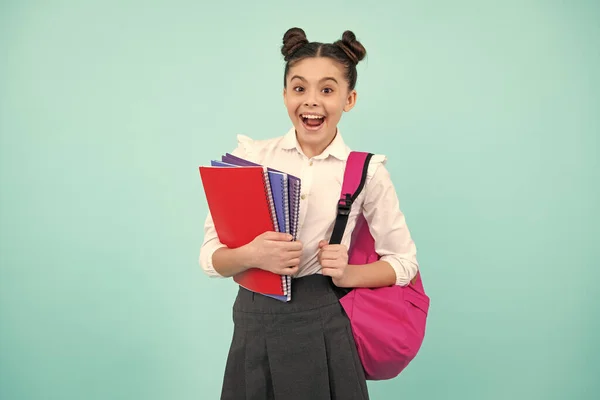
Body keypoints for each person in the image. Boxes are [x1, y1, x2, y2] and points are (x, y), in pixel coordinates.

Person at [199, 27, 419, 400]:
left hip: (325, 321)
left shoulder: (367, 171)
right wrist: (252, 255)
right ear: (285, 94)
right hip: (255, 321)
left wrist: (348, 272)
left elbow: (403, 263)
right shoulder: (251, 160)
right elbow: (209, 258)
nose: (311, 101)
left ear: (349, 99)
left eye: (327, 90)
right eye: (299, 88)